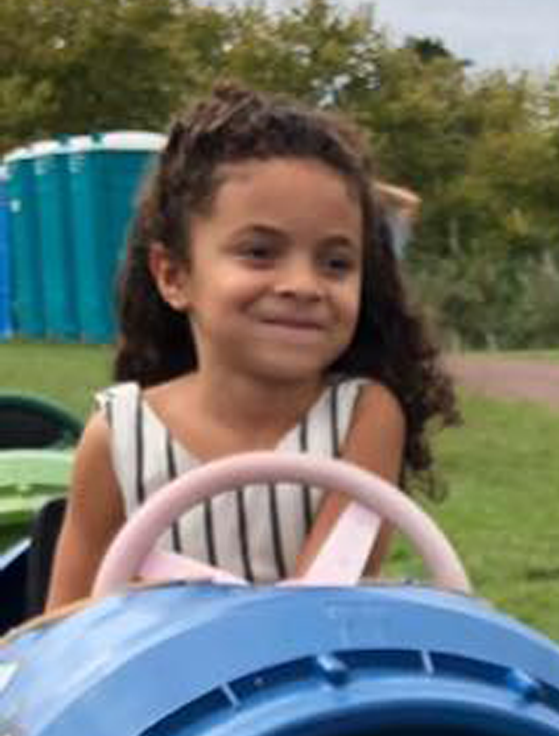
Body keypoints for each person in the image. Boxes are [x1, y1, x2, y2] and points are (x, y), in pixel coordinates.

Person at [45, 83, 456, 608]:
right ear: (173, 275)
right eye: (260, 252)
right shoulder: (118, 436)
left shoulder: (365, 415)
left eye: (335, 263)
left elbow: (321, 602)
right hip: (161, 688)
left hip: (308, 681)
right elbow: (62, 626)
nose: (304, 286)